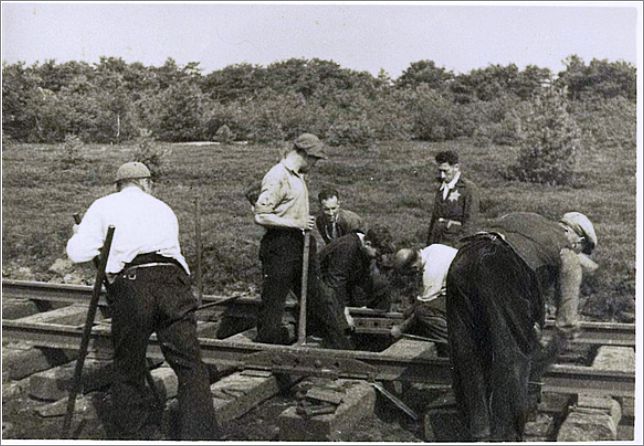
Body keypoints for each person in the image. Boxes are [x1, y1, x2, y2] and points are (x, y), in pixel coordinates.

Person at [66, 161, 219, 440]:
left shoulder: (103, 205)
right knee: (189, 364)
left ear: (119, 185)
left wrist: (79, 236)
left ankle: (133, 434)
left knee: (128, 364)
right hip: (174, 282)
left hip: (134, 284)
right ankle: (200, 436)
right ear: (146, 183)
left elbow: (78, 253)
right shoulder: (162, 208)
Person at [445, 211, 598, 441]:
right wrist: (554, 347)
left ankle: (478, 430)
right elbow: (566, 320)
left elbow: (527, 283)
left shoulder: (528, 219)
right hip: (501, 266)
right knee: (513, 360)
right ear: (578, 238)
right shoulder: (567, 250)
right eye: (581, 250)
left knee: (468, 350)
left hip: (463, 259)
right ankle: (506, 438)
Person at [253, 133, 328, 345]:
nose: (315, 164)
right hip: (279, 244)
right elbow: (261, 215)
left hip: (298, 243)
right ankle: (267, 347)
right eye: (315, 159)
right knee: (274, 301)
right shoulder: (277, 175)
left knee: (314, 295)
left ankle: (333, 340)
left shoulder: (297, 176)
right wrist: (297, 223)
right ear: (305, 154)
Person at [317, 225, 394, 348]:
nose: (377, 257)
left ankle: (374, 335)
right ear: (368, 243)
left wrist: (361, 306)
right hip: (324, 287)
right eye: (377, 253)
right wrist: (344, 311)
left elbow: (361, 279)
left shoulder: (362, 249)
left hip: (346, 285)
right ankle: (346, 340)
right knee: (340, 320)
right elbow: (335, 282)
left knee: (382, 285)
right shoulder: (347, 247)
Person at [391, 244, 458, 355]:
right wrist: (409, 311)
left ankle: (457, 345)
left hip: (471, 296)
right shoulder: (432, 249)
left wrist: (400, 328)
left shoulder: (431, 272)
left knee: (423, 313)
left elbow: (426, 304)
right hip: (465, 289)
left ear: (414, 268)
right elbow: (424, 298)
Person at [426, 150, 479, 247]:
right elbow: (434, 219)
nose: (442, 175)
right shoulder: (441, 188)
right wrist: (429, 244)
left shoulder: (468, 188)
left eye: (445, 171)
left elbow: (470, 222)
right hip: (437, 241)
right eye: (440, 171)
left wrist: (462, 247)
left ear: (456, 167)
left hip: (454, 244)